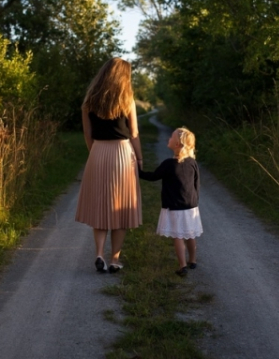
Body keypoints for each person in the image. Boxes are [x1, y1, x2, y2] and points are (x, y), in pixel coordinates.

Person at [75, 57, 143, 273]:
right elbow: (133, 133)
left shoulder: (89, 100)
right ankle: (114, 259)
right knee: (120, 207)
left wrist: (94, 152)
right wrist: (139, 158)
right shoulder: (127, 99)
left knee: (100, 207)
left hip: (98, 152)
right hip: (122, 153)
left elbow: (87, 133)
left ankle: (99, 254)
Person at [138, 127, 203, 277]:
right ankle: (192, 260)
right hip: (190, 206)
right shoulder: (193, 163)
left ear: (178, 144)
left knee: (178, 236)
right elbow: (196, 184)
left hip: (174, 207)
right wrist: (194, 201)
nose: (168, 138)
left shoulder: (168, 164)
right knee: (190, 234)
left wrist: (137, 171)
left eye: (171, 137)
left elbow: (153, 176)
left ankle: (182, 266)